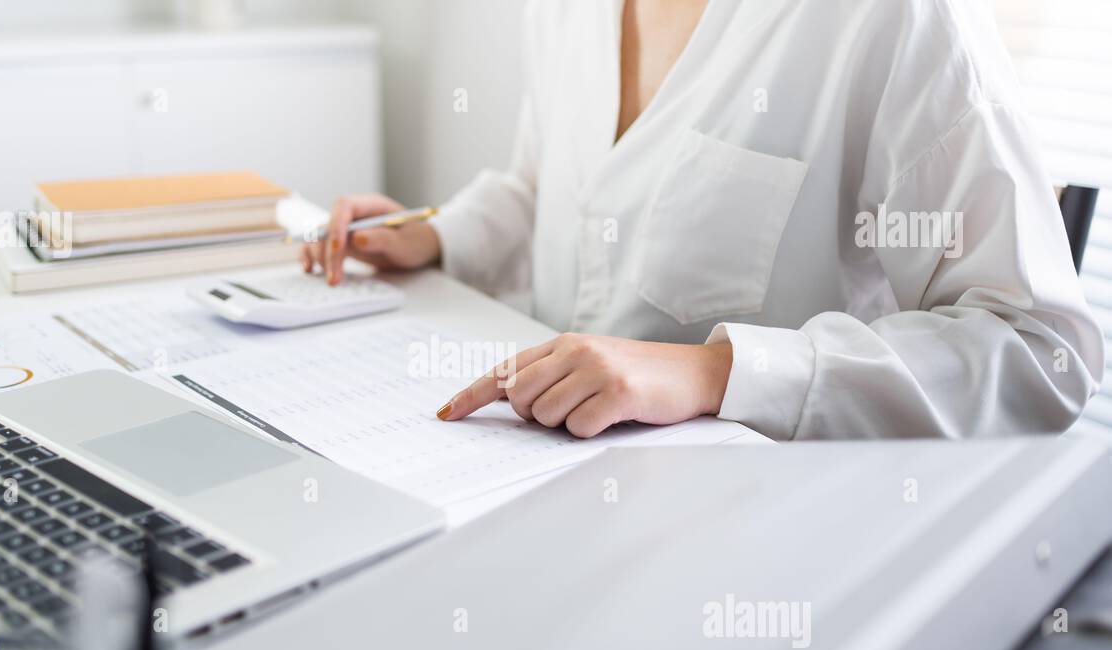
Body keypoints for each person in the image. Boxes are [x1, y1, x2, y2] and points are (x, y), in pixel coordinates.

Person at [301, 0, 1101, 441]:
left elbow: (1041, 352)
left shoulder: (897, 17)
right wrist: (441, 233)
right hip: (536, 472)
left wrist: (712, 375)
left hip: (759, 534)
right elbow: (550, 187)